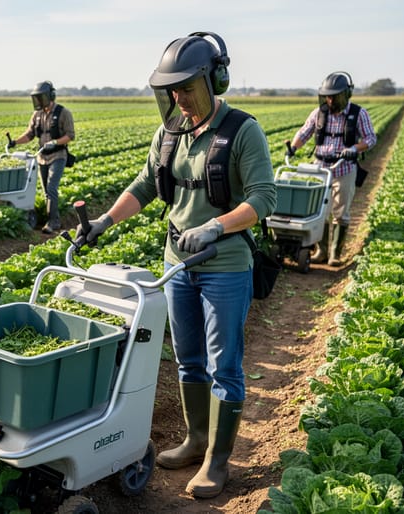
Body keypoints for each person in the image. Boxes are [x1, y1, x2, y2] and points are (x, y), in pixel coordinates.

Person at [75, 32, 276, 499]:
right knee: (188, 361)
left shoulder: (242, 131)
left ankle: (217, 461)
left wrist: (216, 227)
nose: (178, 98)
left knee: (224, 365)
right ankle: (196, 439)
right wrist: (104, 221)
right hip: (178, 266)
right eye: (172, 90)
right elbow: (145, 186)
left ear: (213, 80)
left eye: (187, 88)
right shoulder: (168, 134)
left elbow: (264, 198)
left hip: (225, 265)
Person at [287, 72, 377, 266]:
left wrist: (353, 149)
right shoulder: (318, 113)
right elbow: (304, 133)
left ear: (346, 95)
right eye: (327, 96)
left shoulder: (358, 114)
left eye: (334, 96)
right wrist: (293, 147)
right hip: (320, 168)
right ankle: (321, 251)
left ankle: (335, 253)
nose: (330, 100)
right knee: (319, 211)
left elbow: (370, 138)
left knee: (340, 212)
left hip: (344, 169)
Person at [7, 81, 76, 233]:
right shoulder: (36, 115)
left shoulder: (63, 113)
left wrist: (55, 142)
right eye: (37, 98)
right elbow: (30, 134)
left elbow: (70, 135)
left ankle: (53, 222)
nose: (39, 102)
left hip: (58, 155)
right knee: (46, 190)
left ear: (50, 96)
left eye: (42, 98)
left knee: (52, 188)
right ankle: (51, 218)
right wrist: (15, 142)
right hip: (41, 157)